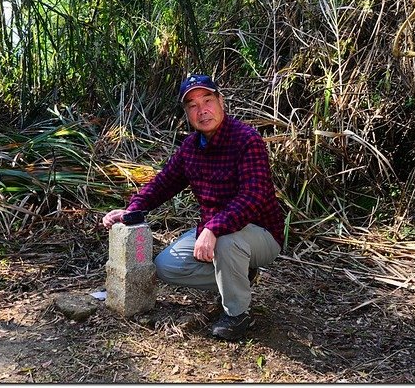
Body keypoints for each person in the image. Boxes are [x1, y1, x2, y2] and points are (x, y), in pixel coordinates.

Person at [102, 74, 285, 340]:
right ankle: (239, 276)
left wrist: (213, 229)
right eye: (193, 105)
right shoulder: (191, 147)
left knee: (226, 243)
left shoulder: (247, 140)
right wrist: (132, 209)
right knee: (166, 266)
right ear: (187, 113)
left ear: (221, 101)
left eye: (207, 100)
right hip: (215, 230)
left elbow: (253, 197)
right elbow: (163, 183)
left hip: (261, 233)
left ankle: (237, 314)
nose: (202, 110)